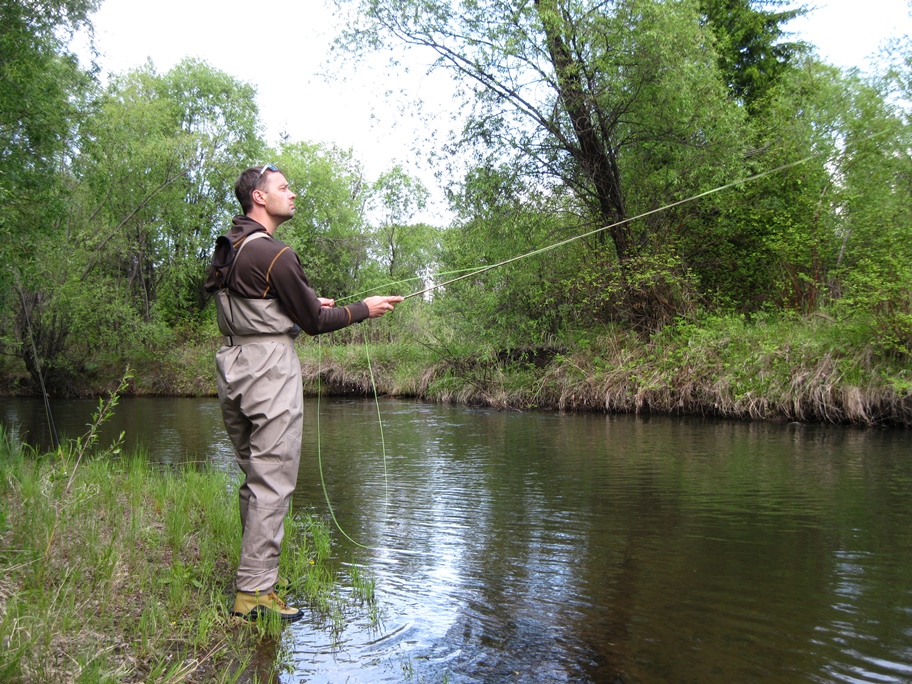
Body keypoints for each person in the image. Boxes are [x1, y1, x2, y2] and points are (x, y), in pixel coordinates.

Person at [205, 163, 403, 622]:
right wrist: (363, 310)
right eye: (283, 187)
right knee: (272, 481)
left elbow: (257, 308)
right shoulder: (276, 253)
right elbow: (315, 324)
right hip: (269, 373)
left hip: (232, 366)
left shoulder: (230, 246)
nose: (292, 194)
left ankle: (256, 578)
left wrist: (301, 310)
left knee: (255, 478)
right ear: (259, 197)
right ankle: (254, 591)